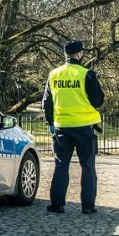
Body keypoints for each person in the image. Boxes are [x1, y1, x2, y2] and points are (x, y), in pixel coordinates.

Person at [42, 40, 104, 214]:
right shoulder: (87, 74)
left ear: (65, 55)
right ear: (79, 54)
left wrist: (50, 123)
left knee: (61, 165)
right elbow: (98, 100)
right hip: (84, 128)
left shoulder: (54, 74)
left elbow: (47, 102)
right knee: (88, 166)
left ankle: (57, 204)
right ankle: (88, 206)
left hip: (62, 127)